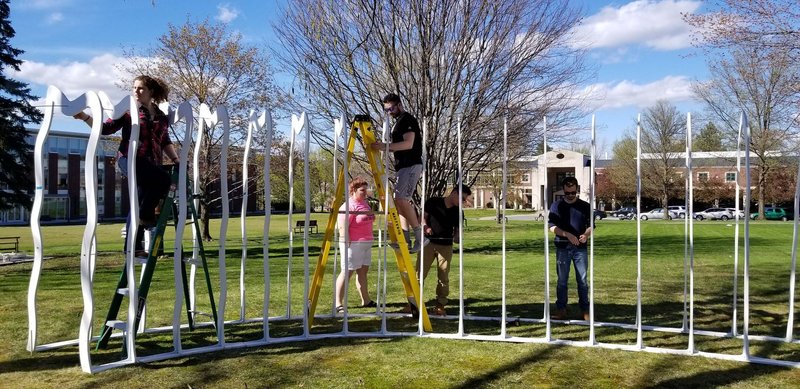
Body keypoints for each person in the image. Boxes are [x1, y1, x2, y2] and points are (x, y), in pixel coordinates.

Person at [74, 75, 180, 255]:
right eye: (134, 88)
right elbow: (106, 129)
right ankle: (146, 217)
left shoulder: (160, 116)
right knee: (163, 179)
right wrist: (85, 117)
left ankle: (133, 247)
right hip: (129, 159)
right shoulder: (128, 111)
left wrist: (176, 159)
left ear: (151, 92)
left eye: (141, 88)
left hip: (151, 163)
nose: (136, 92)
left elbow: (164, 140)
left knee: (139, 202)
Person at [370, 93, 426, 253]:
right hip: (402, 166)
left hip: (411, 165)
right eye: (386, 110)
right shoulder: (398, 122)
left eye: (392, 108)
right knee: (398, 201)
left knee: (402, 200)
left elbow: (408, 144)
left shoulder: (407, 119)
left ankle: (420, 237)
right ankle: (405, 239)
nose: (390, 112)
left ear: (400, 104)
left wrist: (385, 146)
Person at [418, 184, 472, 316]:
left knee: (443, 276)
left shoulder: (458, 211)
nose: (463, 202)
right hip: (428, 243)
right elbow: (422, 218)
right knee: (419, 274)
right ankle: (413, 303)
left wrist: (457, 237)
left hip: (446, 246)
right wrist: (425, 227)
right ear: (454, 193)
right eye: (462, 198)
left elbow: (458, 231)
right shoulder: (433, 202)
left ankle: (440, 305)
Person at [548, 176, 593, 321]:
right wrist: (567, 234)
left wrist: (586, 235)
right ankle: (561, 309)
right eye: (567, 193)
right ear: (563, 191)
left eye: (573, 192)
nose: (570, 195)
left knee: (583, 280)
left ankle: (585, 310)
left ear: (577, 190)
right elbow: (551, 227)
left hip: (580, 249)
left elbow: (591, 226)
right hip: (562, 248)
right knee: (562, 280)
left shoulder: (585, 206)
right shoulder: (556, 206)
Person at [335, 177, 376, 313]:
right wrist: (346, 242)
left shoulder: (365, 204)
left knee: (363, 272)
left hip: (366, 243)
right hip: (353, 244)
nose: (365, 193)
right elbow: (342, 226)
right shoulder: (348, 206)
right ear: (353, 190)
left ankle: (366, 300)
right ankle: (338, 303)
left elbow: (368, 220)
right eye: (362, 190)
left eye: (366, 190)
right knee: (347, 272)